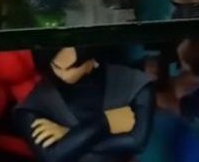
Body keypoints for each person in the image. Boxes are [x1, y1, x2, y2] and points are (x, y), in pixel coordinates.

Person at [15, 47, 154, 162]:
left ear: (92, 61)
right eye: (56, 66)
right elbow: (52, 157)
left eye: (72, 67)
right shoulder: (35, 103)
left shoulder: (134, 83)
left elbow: (136, 142)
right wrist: (105, 122)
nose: (64, 75)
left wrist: (70, 136)